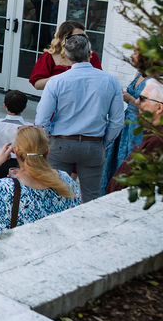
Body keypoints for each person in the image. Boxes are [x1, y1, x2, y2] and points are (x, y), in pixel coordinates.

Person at [34, 34, 125, 202]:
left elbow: (41, 120)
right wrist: (103, 142)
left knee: (55, 196)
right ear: (89, 53)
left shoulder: (56, 81)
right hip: (94, 143)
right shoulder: (110, 81)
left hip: (61, 143)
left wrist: (48, 141)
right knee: (91, 198)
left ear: (66, 55)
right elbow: (117, 121)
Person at [0, 127, 81, 239]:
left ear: (16, 152)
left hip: (8, 256)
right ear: (47, 151)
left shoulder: (4, 189)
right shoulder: (66, 181)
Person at [103, 55, 152, 194]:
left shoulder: (154, 80)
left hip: (139, 126)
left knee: (129, 160)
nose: (132, 56)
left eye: (136, 54)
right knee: (115, 159)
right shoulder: (138, 74)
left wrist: (130, 99)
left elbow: (151, 109)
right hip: (127, 121)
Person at [106, 78, 163, 194]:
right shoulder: (152, 135)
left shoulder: (156, 141)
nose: (137, 102)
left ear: (159, 108)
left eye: (142, 99)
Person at [28, 20, 104, 89]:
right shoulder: (49, 56)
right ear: (64, 38)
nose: (81, 39)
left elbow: (100, 80)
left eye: (83, 36)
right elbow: (37, 84)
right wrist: (59, 78)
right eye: (77, 37)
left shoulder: (91, 56)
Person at [0, 89, 29, 179]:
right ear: (25, 106)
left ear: (4, 105)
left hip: (1, 161)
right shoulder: (28, 127)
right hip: (20, 163)